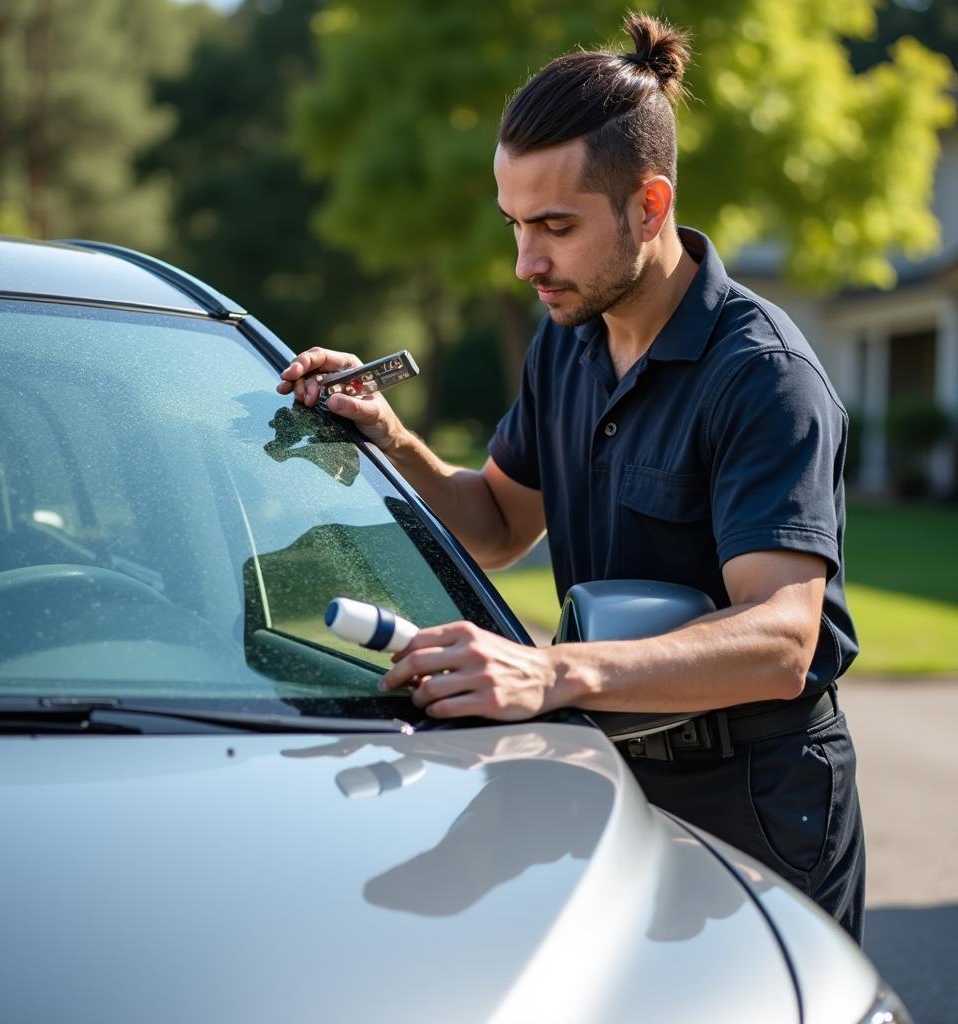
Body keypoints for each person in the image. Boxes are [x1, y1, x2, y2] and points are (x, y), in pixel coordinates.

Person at [278, 13, 865, 942]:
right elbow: (497, 527)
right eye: (515, 225)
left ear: (650, 205)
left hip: (759, 800)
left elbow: (781, 640)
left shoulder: (765, 377)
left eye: (555, 226)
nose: (526, 264)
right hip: (606, 772)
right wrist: (387, 436)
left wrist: (549, 672)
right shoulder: (567, 345)